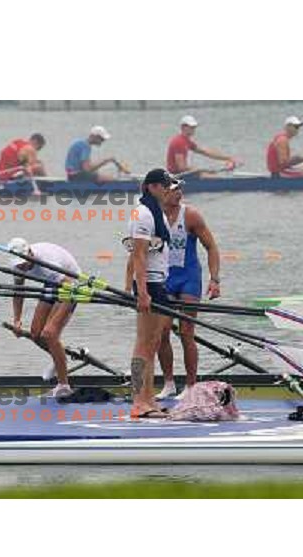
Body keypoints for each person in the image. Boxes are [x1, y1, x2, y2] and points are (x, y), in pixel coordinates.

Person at [156, 187, 221, 400]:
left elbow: (211, 247)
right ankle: (169, 384)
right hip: (165, 279)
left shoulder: (191, 215)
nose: (179, 193)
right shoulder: (152, 216)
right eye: (174, 190)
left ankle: (191, 386)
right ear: (162, 193)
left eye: (180, 189)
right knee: (162, 332)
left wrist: (214, 279)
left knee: (186, 332)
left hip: (189, 278)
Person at [127, 168, 181, 418]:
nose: (169, 189)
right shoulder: (142, 214)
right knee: (143, 345)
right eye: (165, 185)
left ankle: (149, 399)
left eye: (169, 185)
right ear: (152, 187)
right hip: (148, 284)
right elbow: (137, 254)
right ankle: (139, 402)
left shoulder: (155, 211)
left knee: (154, 342)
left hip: (159, 282)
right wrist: (142, 292)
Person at [8, 238, 80, 398]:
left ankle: (64, 385)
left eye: (24, 263)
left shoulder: (48, 263)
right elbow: (18, 292)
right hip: (51, 283)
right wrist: (17, 320)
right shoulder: (17, 266)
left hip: (71, 285)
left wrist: (53, 325)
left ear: (30, 253)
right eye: (19, 265)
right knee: (35, 334)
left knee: (49, 334)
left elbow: (70, 290)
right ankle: (59, 358)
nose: (22, 267)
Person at [166, 115, 241, 177]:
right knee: (213, 177)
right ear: (183, 127)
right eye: (191, 127)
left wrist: (228, 158)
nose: (193, 129)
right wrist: (201, 170)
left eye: (194, 127)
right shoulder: (178, 142)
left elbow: (205, 152)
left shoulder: (186, 141)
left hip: (182, 174)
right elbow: (181, 168)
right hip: (177, 177)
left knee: (212, 175)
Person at [65, 126, 130, 183]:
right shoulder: (85, 146)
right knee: (112, 180)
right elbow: (87, 169)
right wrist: (106, 161)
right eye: (102, 139)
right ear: (94, 137)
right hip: (76, 176)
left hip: (72, 176)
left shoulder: (81, 143)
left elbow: (86, 169)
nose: (103, 141)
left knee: (101, 176)